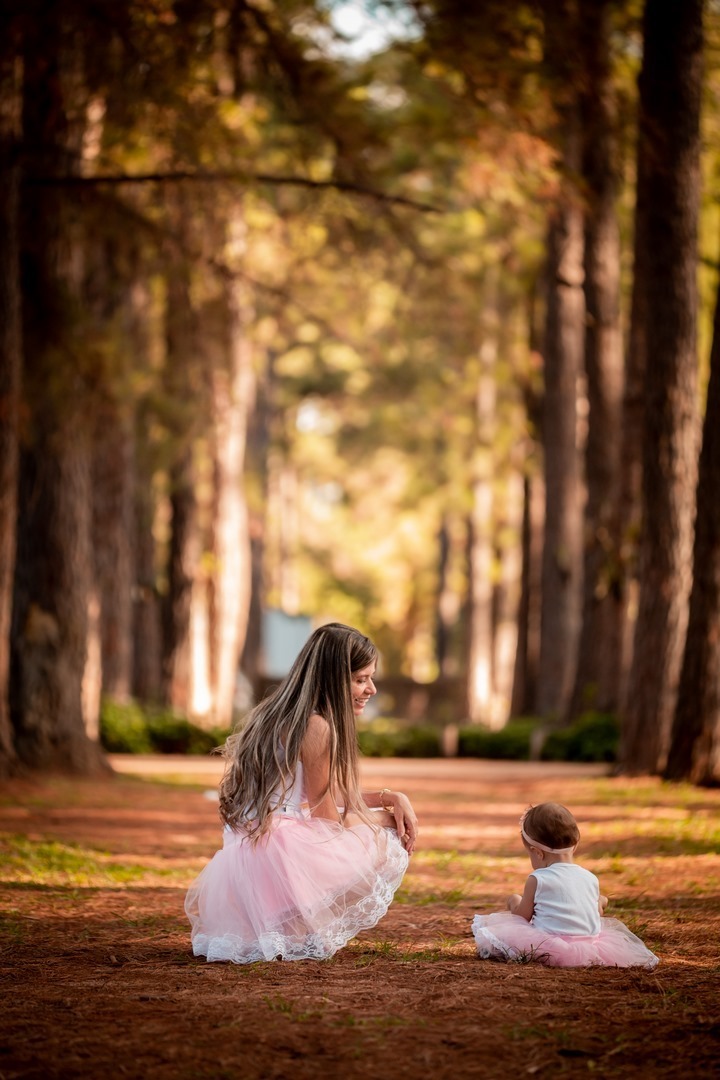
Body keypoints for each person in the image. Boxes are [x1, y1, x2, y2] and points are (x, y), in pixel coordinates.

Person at [185, 622, 418, 964]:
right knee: (384, 843)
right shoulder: (317, 727)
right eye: (360, 679)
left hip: (247, 851)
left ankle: (289, 924)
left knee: (369, 829)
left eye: (370, 678)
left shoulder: (276, 714)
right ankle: (295, 923)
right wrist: (383, 822)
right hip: (277, 852)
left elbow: (329, 792)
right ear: (334, 679)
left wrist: (391, 797)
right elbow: (327, 819)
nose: (372, 689)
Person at [471, 802, 658, 969]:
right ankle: (601, 901)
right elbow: (592, 916)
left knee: (501, 936)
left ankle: (599, 902)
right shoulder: (590, 878)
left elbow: (522, 917)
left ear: (538, 853)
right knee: (596, 904)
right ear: (575, 845)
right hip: (591, 945)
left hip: (550, 945)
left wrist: (513, 902)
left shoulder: (538, 878)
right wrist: (598, 905)